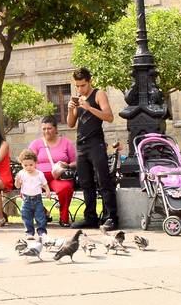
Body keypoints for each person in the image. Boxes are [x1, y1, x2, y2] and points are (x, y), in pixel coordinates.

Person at [67, 68, 119, 230]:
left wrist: (89, 108)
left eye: (83, 85)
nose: (80, 89)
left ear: (90, 81)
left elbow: (109, 117)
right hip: (81, 145)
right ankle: (90, 217)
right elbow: (70, 123)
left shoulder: (98, 94)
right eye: (77, 86)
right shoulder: (78, 98)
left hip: (96, 143)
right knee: (85, 183)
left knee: (104, 181)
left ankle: (111, 217)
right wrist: (70, 109)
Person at [29, 115, 77, 227]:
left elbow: (75, 162)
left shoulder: (66, 143)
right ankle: (43, 212)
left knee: (65, 189)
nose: (47, 131)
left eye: (49, 128)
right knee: (26, 189)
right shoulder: (36, 144)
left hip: (58, 177)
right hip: (39, 178)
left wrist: (68, 165)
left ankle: (64, 218)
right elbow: (28, 161)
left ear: (56, 129)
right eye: (44, 129)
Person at [15, 149, 51, 239]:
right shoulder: (21, 174)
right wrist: (17, 181)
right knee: (26, 217)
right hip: (26, 200)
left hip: (37, 199)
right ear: (22, 164)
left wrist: (47, 191)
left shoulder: (39, 174)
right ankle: (29, 233)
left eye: (31, 165)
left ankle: (42, 232)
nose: (28, 167)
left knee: (40, 217)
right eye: (25, 165)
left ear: (35, 163)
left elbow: (44, 184)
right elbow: (18, 186)